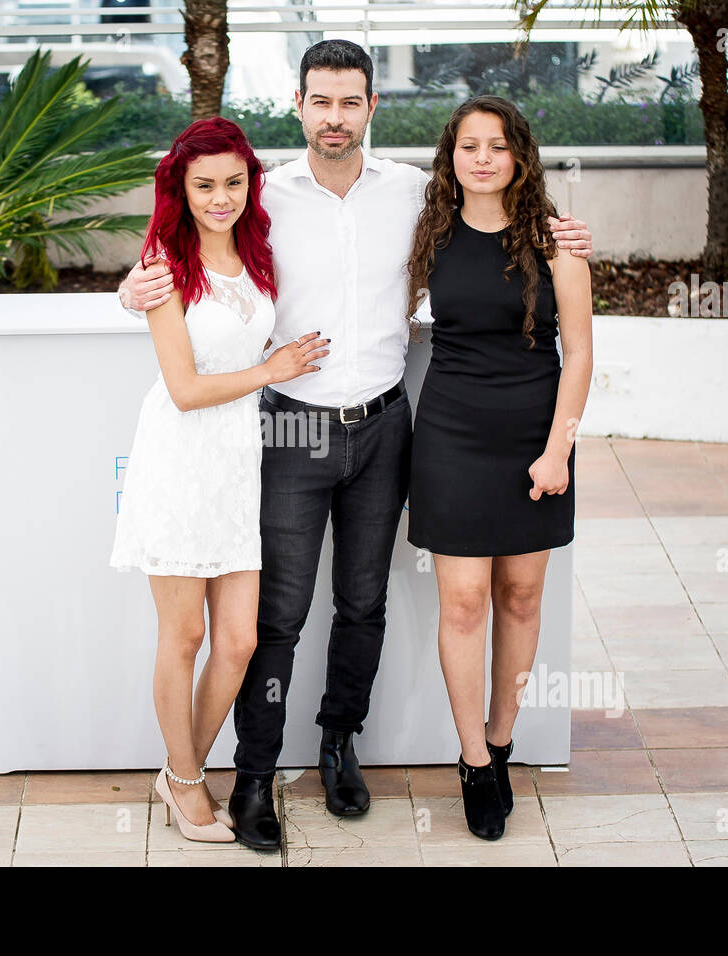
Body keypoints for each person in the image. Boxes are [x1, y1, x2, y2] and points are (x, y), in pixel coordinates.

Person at [119, 40, 593, 851]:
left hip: (385, 426)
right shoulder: (259, 193)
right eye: (320, 102)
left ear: (372, 108)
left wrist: (563, 234)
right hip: (290, 427)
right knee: (278, 616)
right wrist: (131, 288)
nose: (334, 118)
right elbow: (195, 245)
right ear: (299, 106)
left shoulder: (416, 193)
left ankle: (342, 744)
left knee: (364, 604)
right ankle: (258, 777)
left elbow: (492, 228)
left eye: (350, 102)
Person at [108, 117, 329, 843]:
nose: (220, 197)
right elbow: (183, 388)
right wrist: (273, 370)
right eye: (204, 184)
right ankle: (187, 783)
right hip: (178, 462)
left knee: (237, 642)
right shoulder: (163, 266)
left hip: (237, 466)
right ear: (180, 186)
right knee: (184, 634)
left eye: (233, 182)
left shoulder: (256, 253)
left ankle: (180, 773)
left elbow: (247, 334)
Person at [405, 95, 593, 841]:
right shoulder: (428, 233)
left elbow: (577, 352)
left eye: (497, 145)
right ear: (450, 156)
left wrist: (558, 450)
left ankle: (505, 738)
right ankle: (475, 761)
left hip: (535, 435)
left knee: (520, 596)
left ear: (520, 155)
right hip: (451, 433)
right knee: (463, 604)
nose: (482, 158)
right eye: (468, 146)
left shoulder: (556, 241)